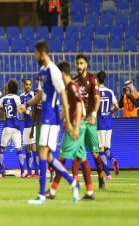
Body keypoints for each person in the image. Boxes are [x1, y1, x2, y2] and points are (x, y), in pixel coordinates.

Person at [18, 40, 80, 204]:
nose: (35, 56)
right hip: (44, 117)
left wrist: (66, 120)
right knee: (47, 155)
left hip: (51, 118)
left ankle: (42, 195)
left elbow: (63, 95)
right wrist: (26, 105)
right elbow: (39, 95)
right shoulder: (43, 71)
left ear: (42, 53)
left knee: (43, 153)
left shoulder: (53, 71)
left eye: (36, 53)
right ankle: (73, 182)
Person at [45, 60, 95, 200]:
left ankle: (53, 191)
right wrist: (58, 119)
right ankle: (90, 191)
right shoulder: (68, 87)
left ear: (61, 73)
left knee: (61, 157)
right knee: (81, 158)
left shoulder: (72, 87)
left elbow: (79, 106)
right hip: (77, 123)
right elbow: (71, 108)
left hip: (76, 124)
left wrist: (76, 127)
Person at [72, 53, 105, 189]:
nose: (79, 66)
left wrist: (94, 114)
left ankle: (101, 179)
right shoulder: (73, 81)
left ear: (86, 64)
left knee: (95, 153)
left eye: (81, 63)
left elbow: (97, 99)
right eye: (77, 63)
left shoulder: (92, 79)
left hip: (90, 121)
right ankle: (75, 182)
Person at [0, 79, 25, 178]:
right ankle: (22, 172)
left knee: (2, 149)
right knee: (19, 149)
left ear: (8, 89)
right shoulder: (17, 98)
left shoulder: (3, 99)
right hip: (16, 126)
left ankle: (0, 172)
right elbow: (19, 107)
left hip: (8, 125)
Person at [29, 74, 56, 182]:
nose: (37, 82)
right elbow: (35, 110)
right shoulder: (36, 92)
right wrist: (32, 128)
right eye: (37, 80)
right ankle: (50, 170)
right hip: (38, 126)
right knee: (40, 153)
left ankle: (47, 173)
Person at [96, 70, 120, 180]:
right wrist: (110, 111)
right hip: (109, 124)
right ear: (104, 79)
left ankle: (108, 174)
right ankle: (113, 159)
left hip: (100, 124)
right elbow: (117, 106)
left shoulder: (95, 92)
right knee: (106, 148)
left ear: (97, 80)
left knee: (100, 149)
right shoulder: (110, 91)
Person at [20, 78, 39, 178]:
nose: (28, 86)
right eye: (26, 84)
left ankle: (36, 171)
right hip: (25, 126)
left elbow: (32, 114)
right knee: (27, 148)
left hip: (33, 126)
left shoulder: (33, 95)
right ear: (23, 85)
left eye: (29, 84)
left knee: (33, 147)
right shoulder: (21, 97)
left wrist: (25, 111)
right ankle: (30, 171)